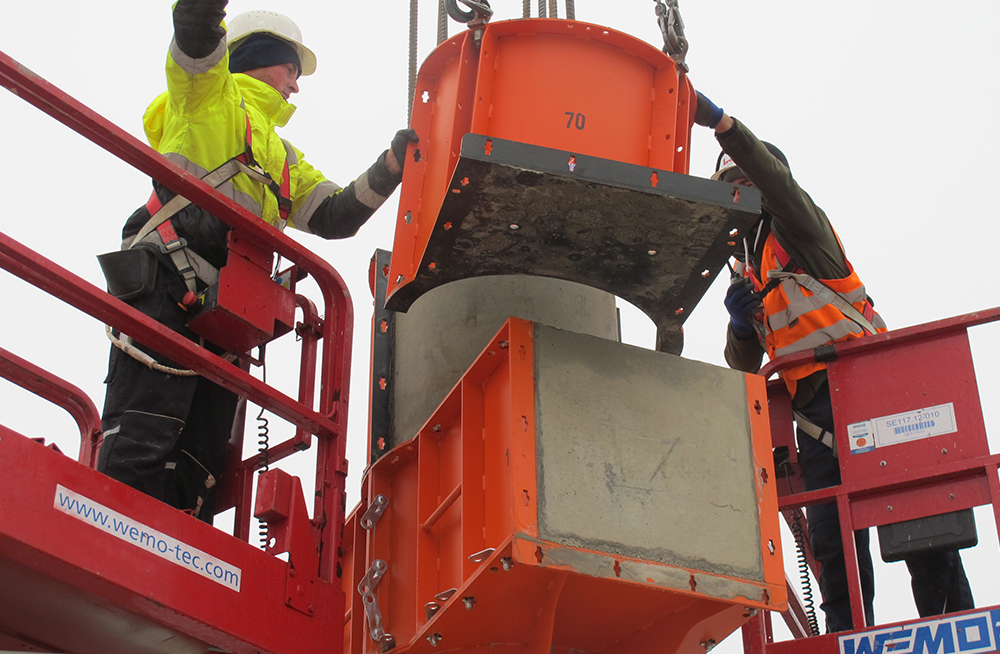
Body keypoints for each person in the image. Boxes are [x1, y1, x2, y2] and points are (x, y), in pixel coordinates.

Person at [97, 0, 417, 522]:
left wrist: (390, 168)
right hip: (165, 290)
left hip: (224, 319)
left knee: (199, 464)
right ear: (259, 58)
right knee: (145, 431)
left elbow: (335, 215)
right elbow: (197, 33)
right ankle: (108, 538)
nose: (296, 86)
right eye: (290, 69)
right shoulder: (206, 97)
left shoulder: (282, 157)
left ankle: (174, 562)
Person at [693, 92, 974, 632]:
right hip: (814, 413)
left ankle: (953, 625)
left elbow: (775, 182)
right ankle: (848, 637)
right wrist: (737, 327)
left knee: (916, 520)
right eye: (728, 190)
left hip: (873, 388)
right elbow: (742, 368)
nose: (737, 196)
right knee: (832, 533)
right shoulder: (747, 274)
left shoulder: (803, 230)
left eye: (744, 184)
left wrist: (722, 125)